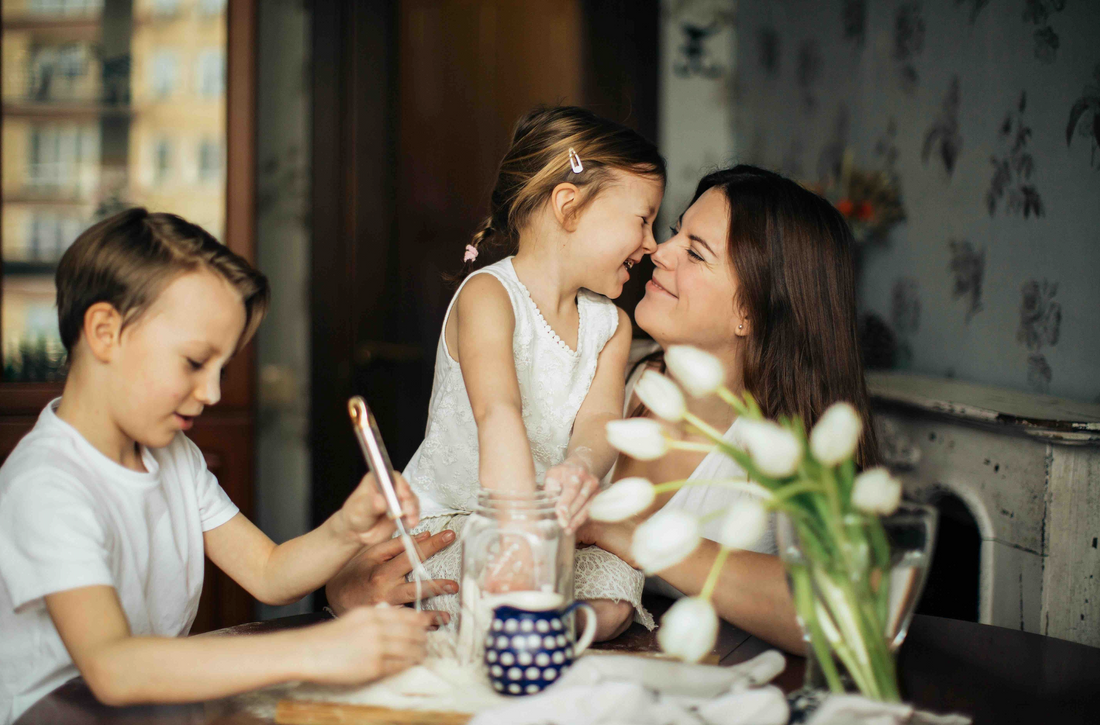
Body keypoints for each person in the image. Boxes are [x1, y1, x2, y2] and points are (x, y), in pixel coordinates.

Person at [330, 164, 878, 655]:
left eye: (695, 251)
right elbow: (414, 523)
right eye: (673, 232)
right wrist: (351, 588)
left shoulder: (792, 450)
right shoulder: (587, 368)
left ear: (750, 311)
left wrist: (633, 536)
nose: (658, 252)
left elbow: (850, 616)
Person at [0, 209, 434, 725]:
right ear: (104, 331)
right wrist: (316, 650)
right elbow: (112, 667)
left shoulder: (172, 455)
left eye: (221, 369)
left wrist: (346, 527)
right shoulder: (47, 485)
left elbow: (270, 574)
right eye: (193, 362)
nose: (211, 393)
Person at [385, 106, 666, 641]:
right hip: (463, 520)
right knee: (490, 582)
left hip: (553, 530)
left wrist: (583, 465)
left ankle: (534, 627)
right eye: (643, 219)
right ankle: (516, 621)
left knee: (615, 595)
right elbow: (498, 413)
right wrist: (518, 536)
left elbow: (602, 419)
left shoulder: (611, 324)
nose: (652, 244)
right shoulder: (489, 295)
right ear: (569, 206)